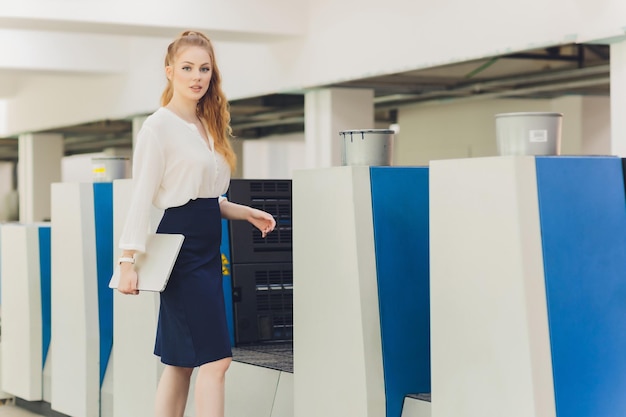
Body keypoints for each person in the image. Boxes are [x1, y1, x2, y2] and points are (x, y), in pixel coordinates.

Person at [116, 30, 276, 417]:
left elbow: (208, 197)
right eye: (187, 67)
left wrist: (243, 212)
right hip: (182, 249)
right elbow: (144, 195)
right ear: (169, 71)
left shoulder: (208, 126)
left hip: (207, 246)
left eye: (204, 68)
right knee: (216, 361)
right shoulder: (158, 126)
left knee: (181, 362)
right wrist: (127, 260)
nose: (197, 76)